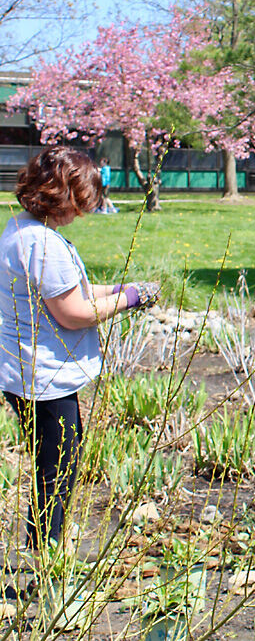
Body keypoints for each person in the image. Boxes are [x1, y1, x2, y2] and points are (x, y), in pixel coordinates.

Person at [0, 146, 160, 548]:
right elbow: (73, 312)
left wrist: (121, 289)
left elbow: (67, 290)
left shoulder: (20, 229)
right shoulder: (45, 246)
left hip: (23, 369)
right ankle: (47, 549)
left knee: (52, 458)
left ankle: (46, 536)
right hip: (45, 374)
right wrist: (131, 300)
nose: (84, 211)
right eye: (82, 200)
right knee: (58, 465)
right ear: (63, 194)